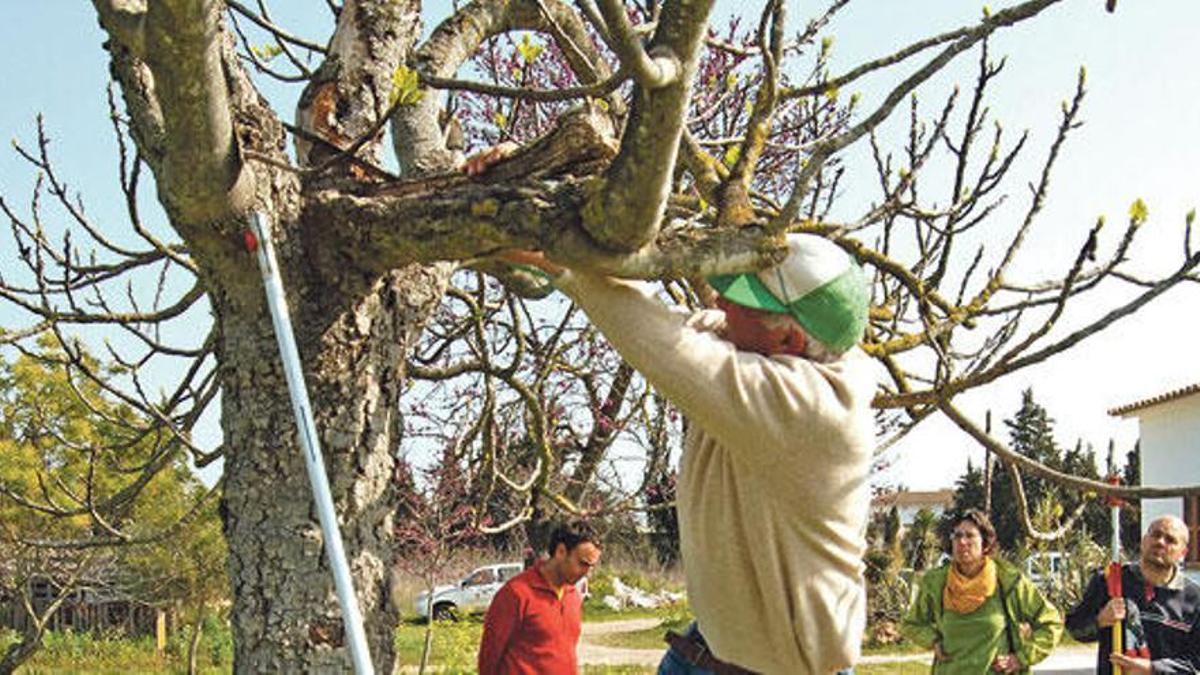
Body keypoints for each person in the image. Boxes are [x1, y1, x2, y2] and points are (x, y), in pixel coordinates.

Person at [500, 232, 876, 673]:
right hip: (703, 650)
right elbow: (665, 318)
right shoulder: (760, 343)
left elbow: (666, 342)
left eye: (743, 300)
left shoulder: (814, 409)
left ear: (789, 341)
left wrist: (564, 262)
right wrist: (542, 240)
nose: (720, 302)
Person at [901, 509, 1062, 674]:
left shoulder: (1007, 580)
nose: (962, 541)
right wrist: (933, 641)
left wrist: (1020, 658)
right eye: (957, 536)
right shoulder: (936, 582)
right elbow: (911, 624)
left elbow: (1051, 622)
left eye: (970, 536)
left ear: (985, 543)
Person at [1065, 514, 1200, 674]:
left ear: (1183, 552)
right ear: (1144, 541)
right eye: (1155, 534)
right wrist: (1099, 621)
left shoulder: (1195, 598)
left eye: (1170, 540)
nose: (1160, 542)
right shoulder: (1109, 581)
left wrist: (1153, 669)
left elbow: (1196, 661)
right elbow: (1074, 629)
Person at [477, 521, 602, 675]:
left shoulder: (573, 597)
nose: (587, 573)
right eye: (583, 564)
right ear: (561, 551)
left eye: (591, 566)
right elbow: (489, 658)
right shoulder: (516, 593)